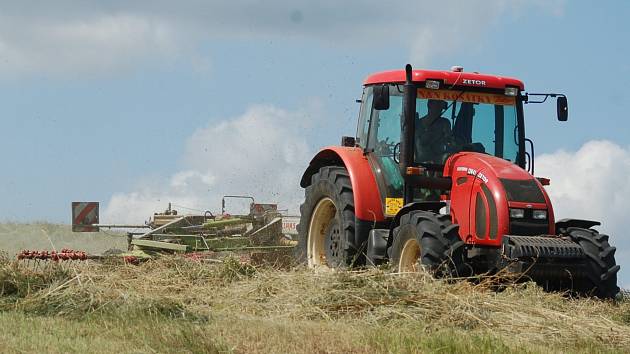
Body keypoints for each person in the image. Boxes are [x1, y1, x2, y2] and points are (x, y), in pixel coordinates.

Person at [415, 99, 456, 164]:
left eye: (441, 107)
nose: (439, 109)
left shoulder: (444, 123)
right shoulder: (417, 124)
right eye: (437, 105)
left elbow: (450, 142)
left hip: (439, 165)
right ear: (429, 104)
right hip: (419, 164)